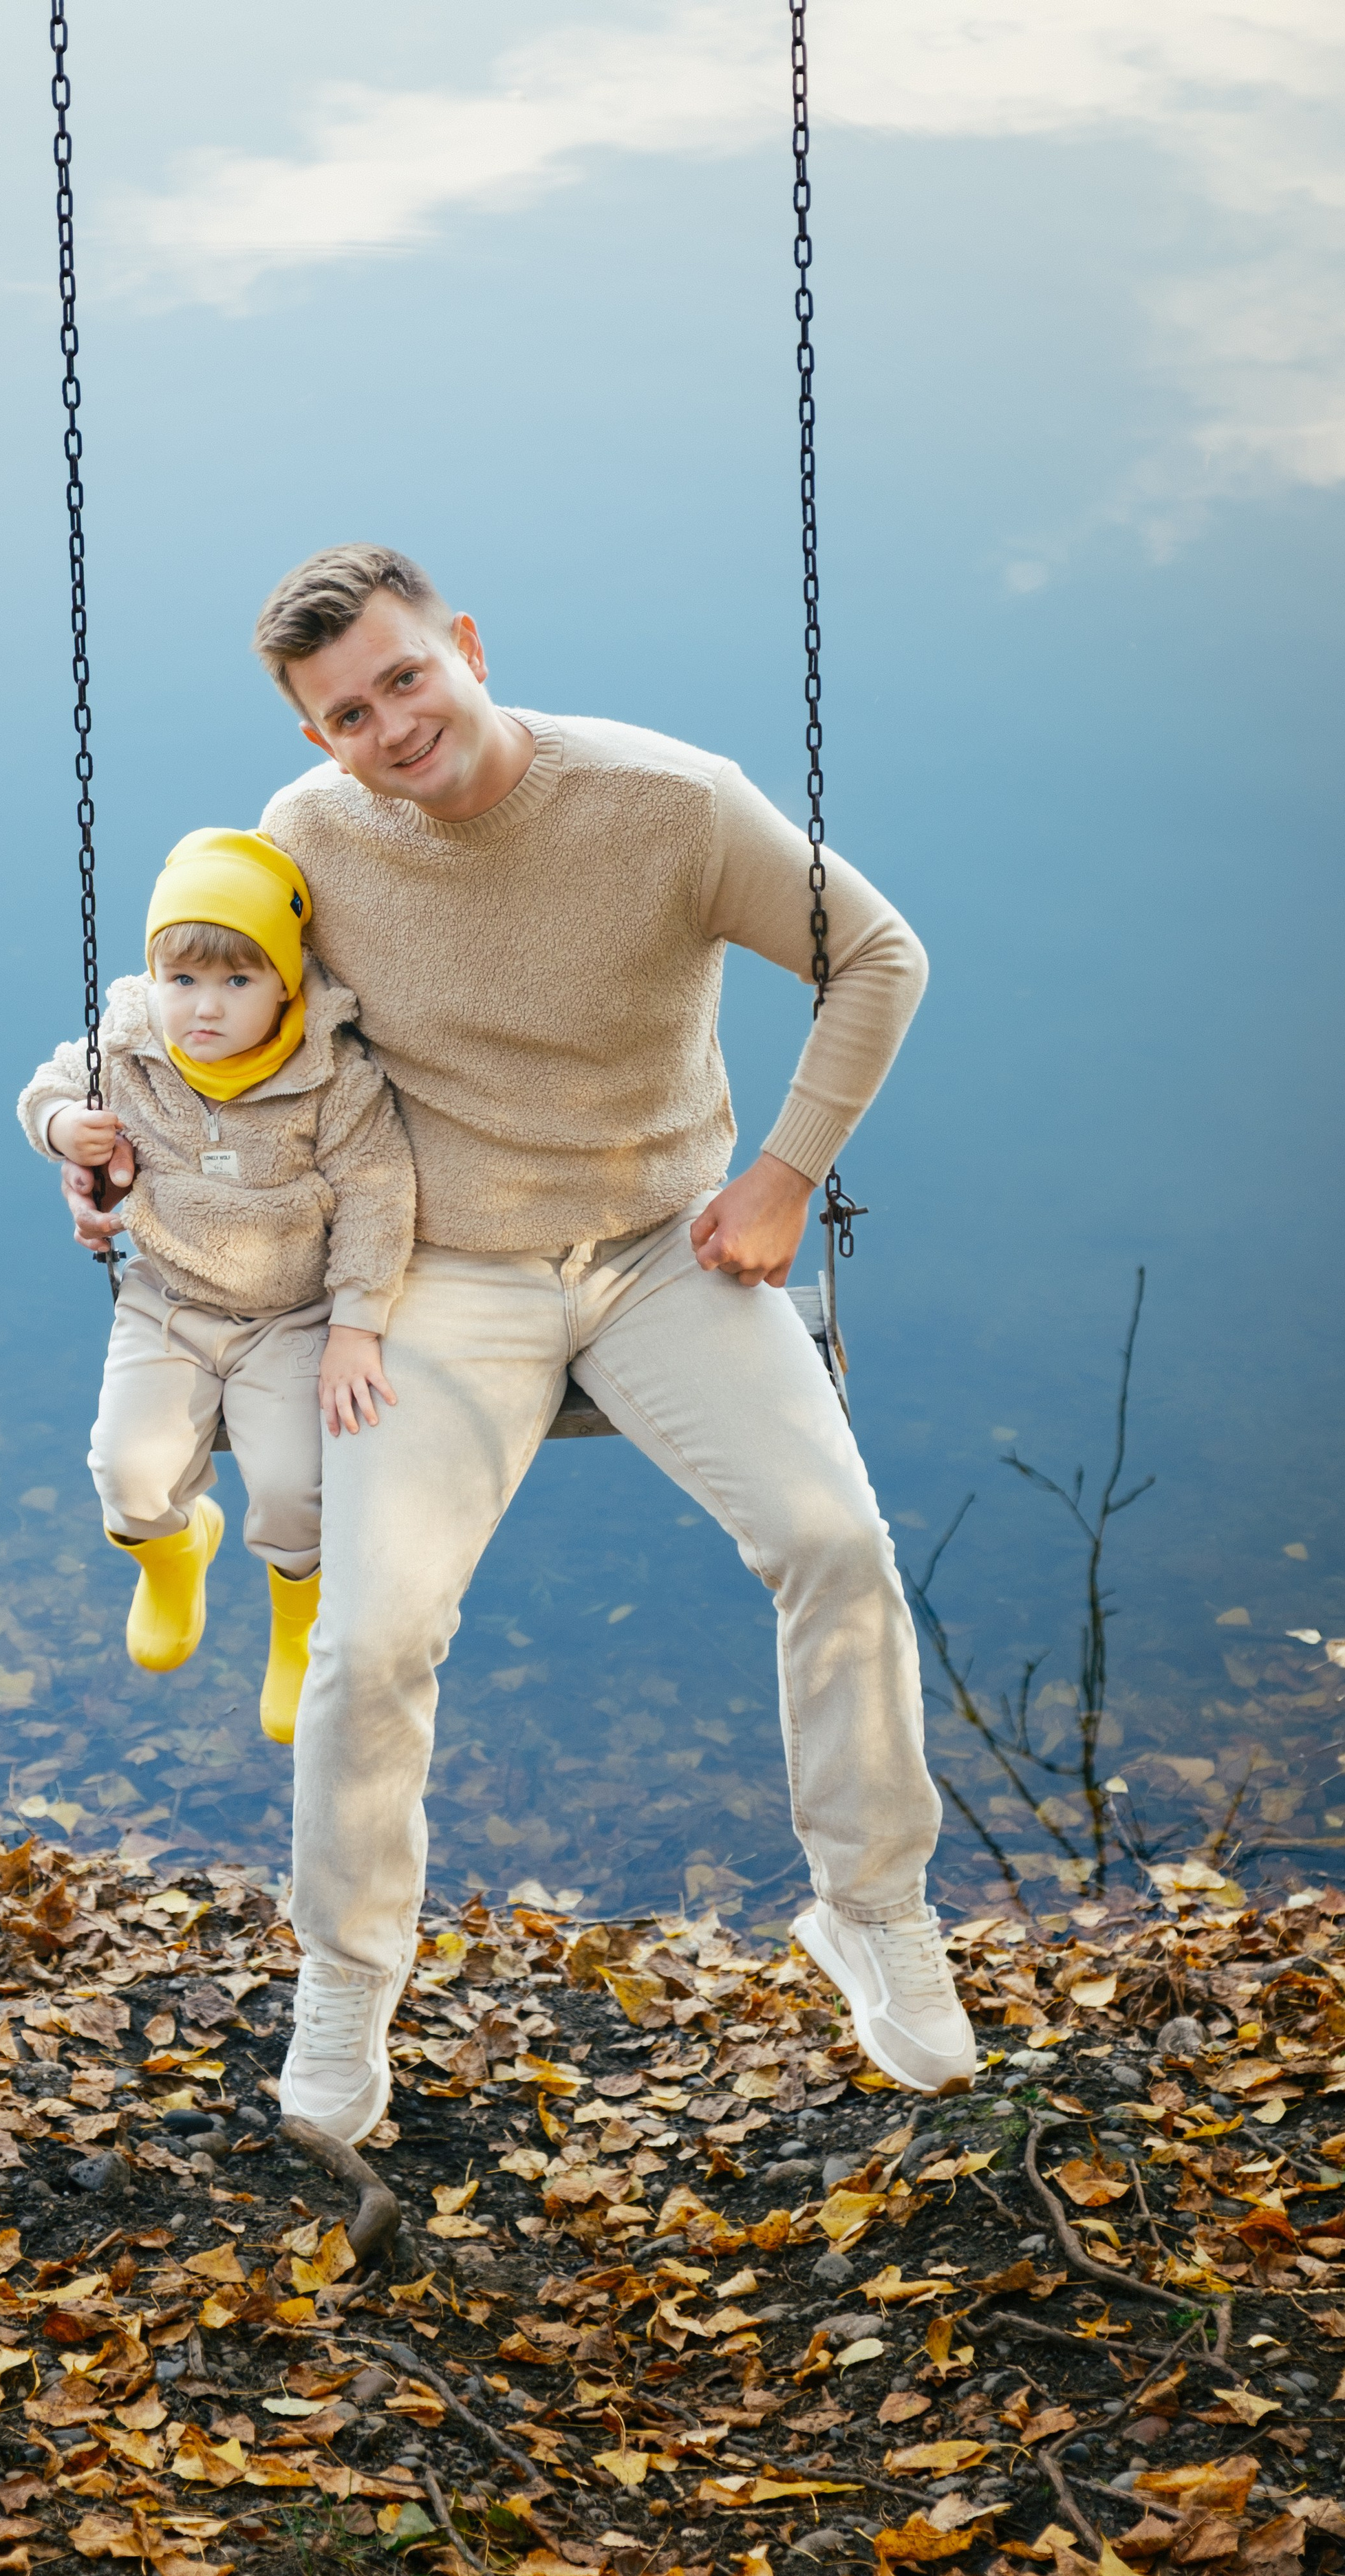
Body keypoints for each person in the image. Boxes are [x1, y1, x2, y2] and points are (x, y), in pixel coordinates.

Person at [64, 546, 976, 2136]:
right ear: (314, 741)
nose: (391, 727)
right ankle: (346, 1984)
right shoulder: (306, 844)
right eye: (346, 714)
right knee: (370, 1637)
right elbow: (215, 1035)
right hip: (438, 1277)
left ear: (466, 645)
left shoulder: (670, 803)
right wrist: (118, 1158)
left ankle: (872, 1908)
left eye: (406, 677)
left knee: (833, 1542)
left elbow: (877, 954)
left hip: (665, 1247)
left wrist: (781, 1176)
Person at [22, 823, 414, 1743]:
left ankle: (295, 1617)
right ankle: (173, 1555)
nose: (204, 1007)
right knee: (126, 1473)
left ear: (284, 981)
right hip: (168, 1299)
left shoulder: (331, 1077)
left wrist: (356, 1325)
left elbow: (377, 1196)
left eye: (237, 981)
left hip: (293, 1315)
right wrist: (63, 1128)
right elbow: (43, 1091)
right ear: (154, 977)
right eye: (183, 980)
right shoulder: (125, 1048)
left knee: (292, 1489)